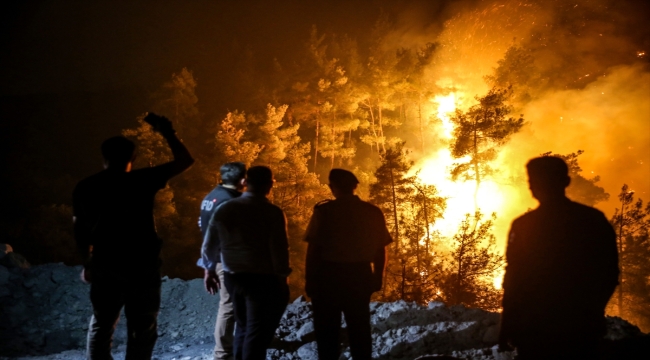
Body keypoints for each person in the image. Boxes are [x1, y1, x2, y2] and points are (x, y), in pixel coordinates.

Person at [73, 113, 194, 359]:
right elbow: (185, 160)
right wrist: (167, 132)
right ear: (134, 157)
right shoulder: (143, 180)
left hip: (106, 264)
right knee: (142, 327)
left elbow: (80, 230)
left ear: (103, 157)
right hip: (142, 266)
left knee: (102, 324)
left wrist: (87, 262)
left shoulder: (86, 187)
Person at [499, 156, 619, 359]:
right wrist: (591, 311)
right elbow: (609, 274)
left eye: (536, 181)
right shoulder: (592, 220)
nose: (533, 187)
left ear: (564, 182)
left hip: (538, 331)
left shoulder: (524, 226)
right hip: (578, 330)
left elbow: (514, 281)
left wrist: (508, 325)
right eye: (532, 181)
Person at [304, 169, 392, 360]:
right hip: (359, 275)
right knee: (359, 328)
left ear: (332, 187)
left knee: (327, 330)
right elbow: (380, 249)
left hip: (328, 276)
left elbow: (314, 250)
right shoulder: (372, 212)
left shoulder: (324, 211)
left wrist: (310, 280)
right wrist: (377, 277)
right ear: (354, 186)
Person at [204, 166, 291, 360]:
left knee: (243, 327)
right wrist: (283, 276)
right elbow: (279, 249)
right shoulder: (272, 212)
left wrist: (209, 270)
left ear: (245, 182)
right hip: (262, 278)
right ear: (270, 185)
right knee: (257, 332)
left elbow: (210, 243)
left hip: (233, 277)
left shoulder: (225, 209)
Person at [198, 162, 246, 360]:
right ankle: (222, 353)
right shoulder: (231, 203)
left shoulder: (210, 197)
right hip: (228, 260)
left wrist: (208, 268)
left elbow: (206, 233)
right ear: (243, 180)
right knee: (228, 307)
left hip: (215, 258)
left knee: (230, 305)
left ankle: (230, 346)